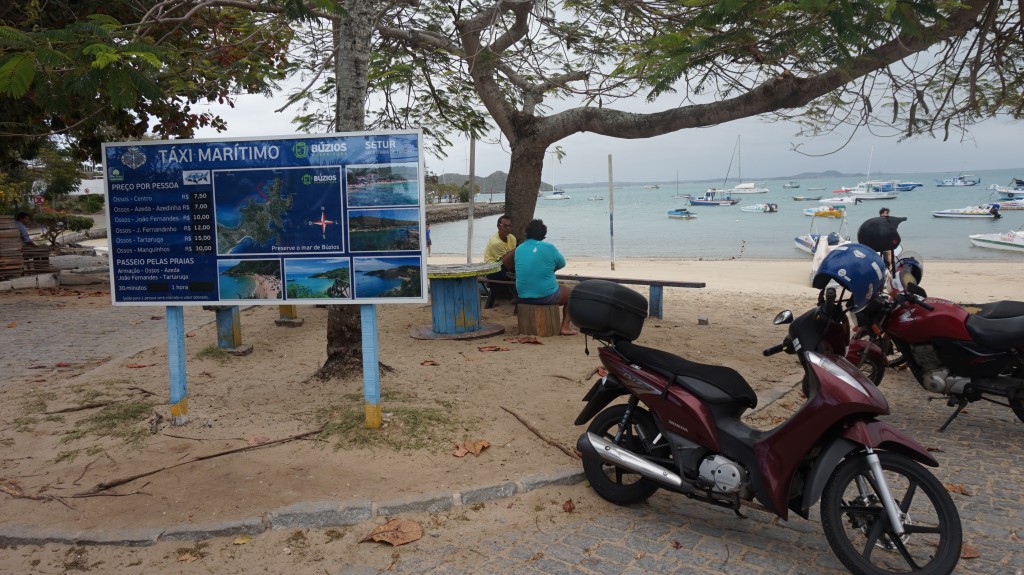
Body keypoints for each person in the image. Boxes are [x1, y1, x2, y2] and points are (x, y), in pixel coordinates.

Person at [514, 219, 577, 336]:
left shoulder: (519, 249)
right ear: (543, 235)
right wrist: (551, 268)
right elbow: (562, 263)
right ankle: (565, 327)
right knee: (572, 294)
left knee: (558, 288)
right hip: (545, 296)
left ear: (527, 233)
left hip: (522, 295)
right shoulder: (549, 247)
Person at [483, 214, 516, 281]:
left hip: (503, 267)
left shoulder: (512, 238)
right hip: (492, 270)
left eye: (510, 226)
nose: (508, 228)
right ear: (498, 226)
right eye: (505, 226)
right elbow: (504, 263)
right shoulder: (495, 242)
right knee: (517, 250)